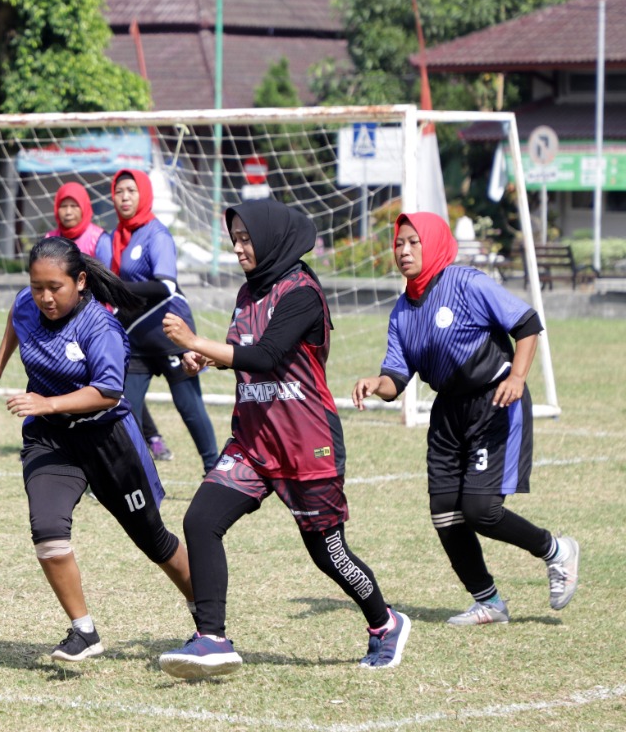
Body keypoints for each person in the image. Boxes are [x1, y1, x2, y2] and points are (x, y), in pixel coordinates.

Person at [157, 199, 411, 678]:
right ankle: (211, 638)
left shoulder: (303, 293)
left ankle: (385, 622)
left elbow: (266, 356)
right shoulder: (248, 292)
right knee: (200, 521)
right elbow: (242, 350)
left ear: (270, 238)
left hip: (305, 444)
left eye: (246, 238)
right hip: (253, 442)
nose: (238, 248)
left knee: (328, 553)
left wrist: (194, 342)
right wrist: (204, 358)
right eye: (234, 239)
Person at [0, 236, 196, 662]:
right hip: (50, 438)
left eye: (54, 288)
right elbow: (16, 318)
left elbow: (109, 392)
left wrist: (47, 401)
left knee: (154, 540)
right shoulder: (28, 303)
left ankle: (208, 619)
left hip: (107, 440)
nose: (44, 297)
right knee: (47, 529)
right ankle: (84, 631)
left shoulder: (100, 327)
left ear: (79, 281)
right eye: (37, 287)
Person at [352, 211, 579, 626]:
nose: (403, 251)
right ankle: (489, 602)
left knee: (480, 510)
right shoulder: (402, 310)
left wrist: (517, 376)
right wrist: (375, 382)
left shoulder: (466, 283)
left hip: (493, 403)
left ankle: (556, 550)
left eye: (412, 243)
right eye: (398, 243)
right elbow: (396, 378)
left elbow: (527, 323)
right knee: (444, 511)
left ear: (434, 243)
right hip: (448, 413)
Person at [96, 169, 218, 473]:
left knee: (189, 407)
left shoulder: (157, 233)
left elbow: (165, 286)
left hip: (170, 333)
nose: (124, 197)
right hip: (135, 338)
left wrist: (117, 290)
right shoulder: (114, 237)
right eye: (119, 191)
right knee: (125, 407)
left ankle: (215, 469)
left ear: (144, 195)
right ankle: (130, 474)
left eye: (131, 191)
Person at [46, 181, 173, 463]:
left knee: (104, 387)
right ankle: (57, 441)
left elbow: (106, 282)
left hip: (93, 323)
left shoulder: (99, 239)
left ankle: (136, 442)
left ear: (85, 208)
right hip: (61, 325)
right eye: (63, 206)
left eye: (73, 206)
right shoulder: (50, 239)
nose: (67, 212)